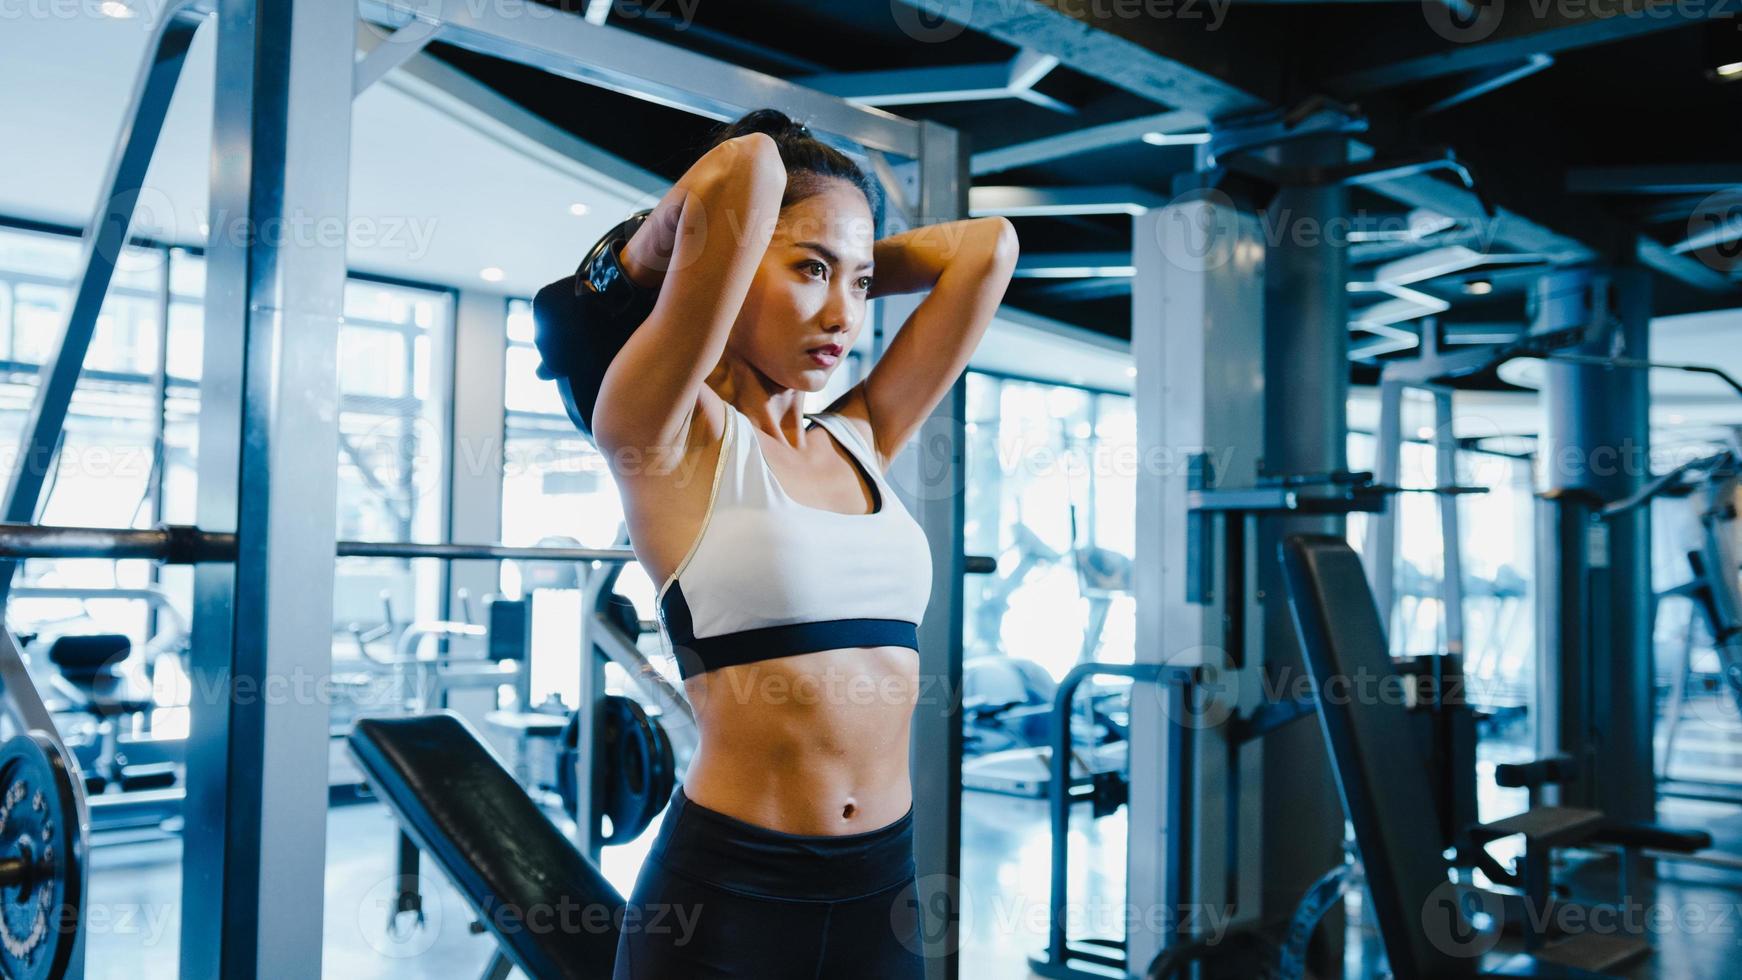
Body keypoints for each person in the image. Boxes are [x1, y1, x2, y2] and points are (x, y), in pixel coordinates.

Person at [583, 108, 1017, 979]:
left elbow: (987, 249)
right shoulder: (663, 433)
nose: (842, 314)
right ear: (735, 267)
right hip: (729, 897)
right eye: (809, 271)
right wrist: (707, 250)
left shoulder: (862, 436)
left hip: (882, 886)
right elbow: (744, 170)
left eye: (859, 285)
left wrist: (837, 255)